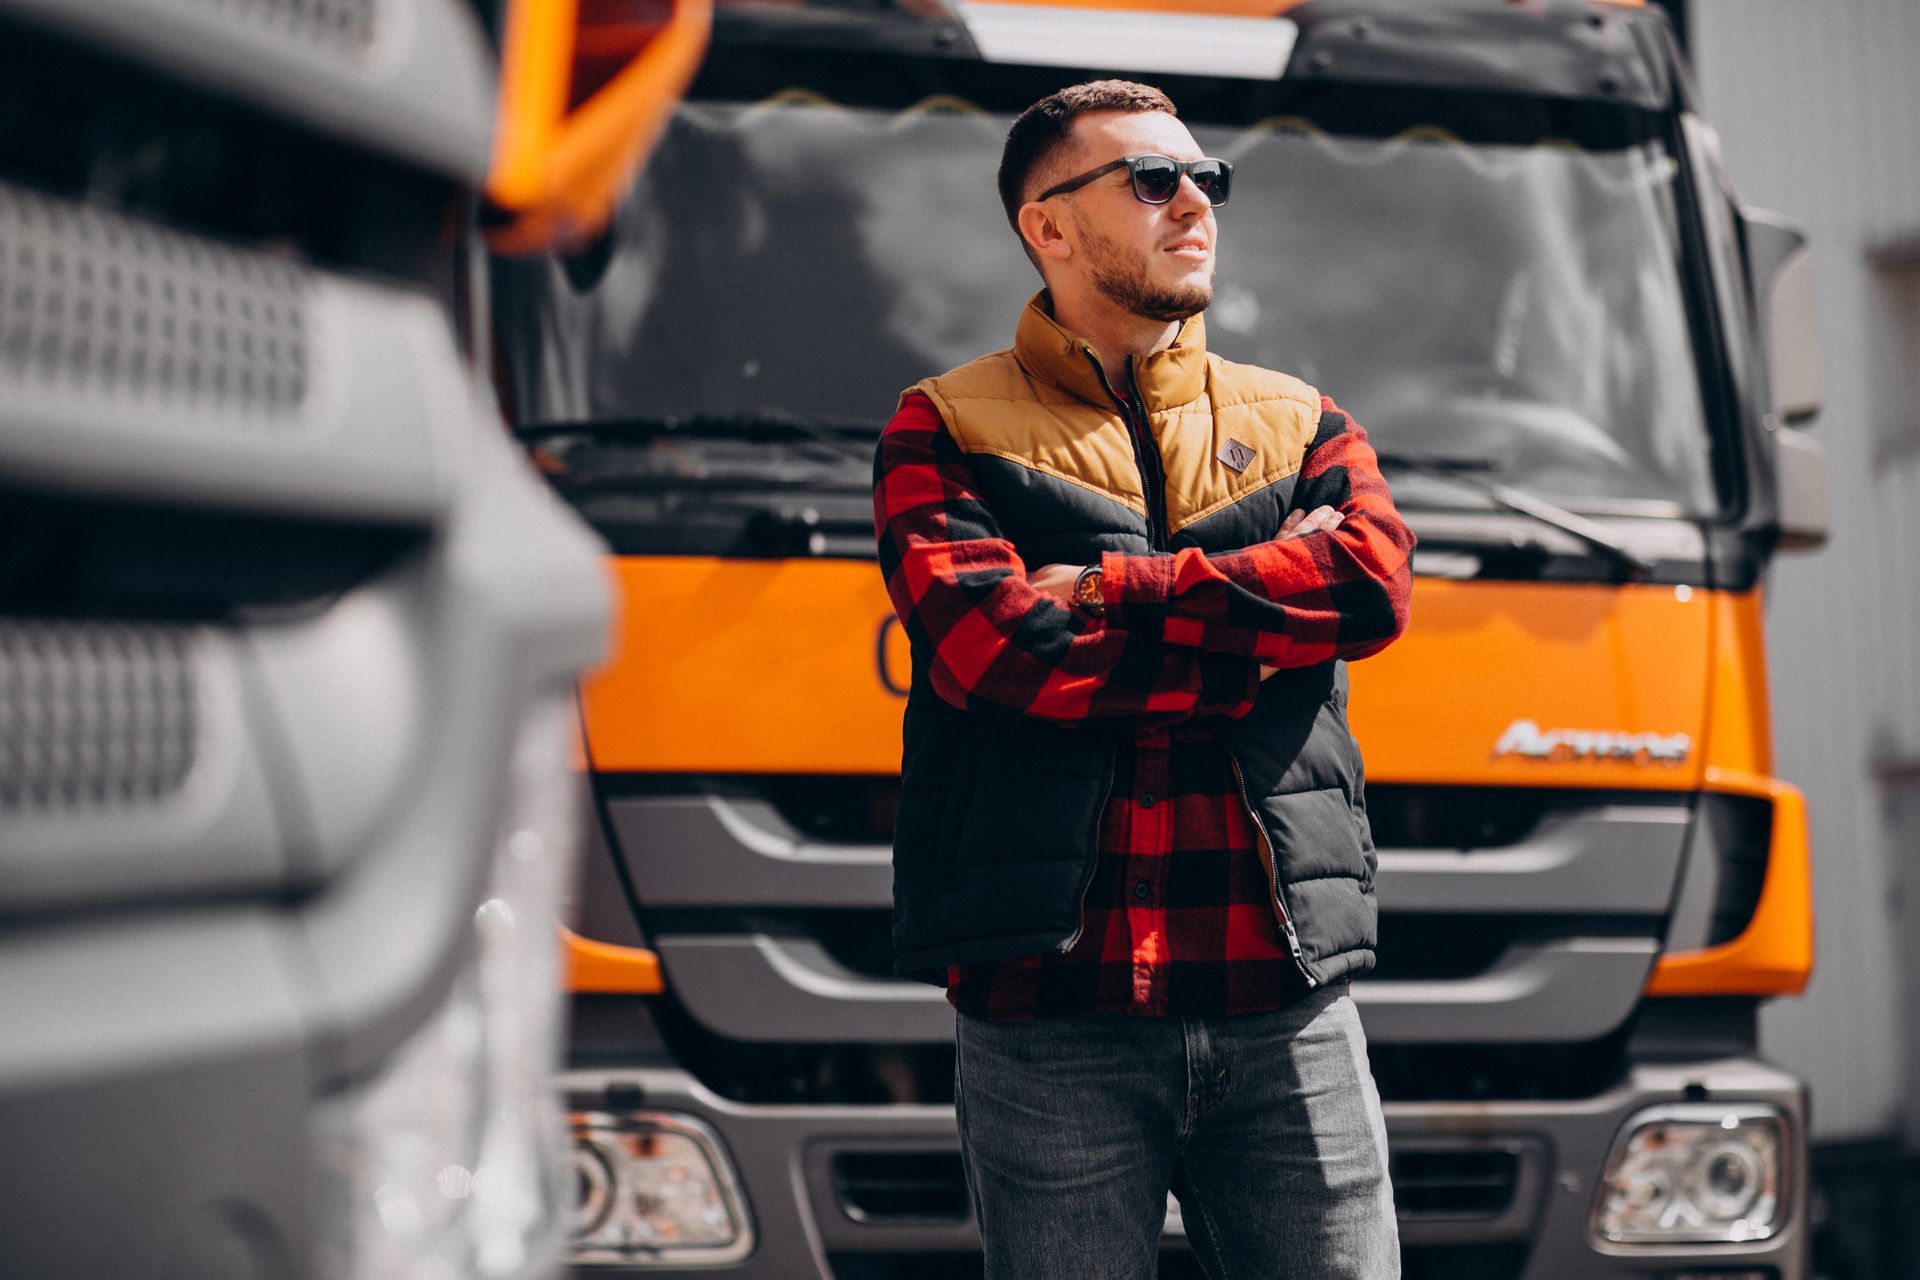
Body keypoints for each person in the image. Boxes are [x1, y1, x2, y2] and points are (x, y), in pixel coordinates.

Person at [871, 79, 1415, 1279]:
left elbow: (1371, 588)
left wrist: (1115, 591)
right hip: (1050, 1022)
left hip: (1289, 1009)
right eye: (1152, 179)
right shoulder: (941, 426)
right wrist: (1261, 640)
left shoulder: (1304, 420)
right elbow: (998, 654)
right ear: (1048, 227)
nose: (1195, 202)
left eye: (1206, 177)